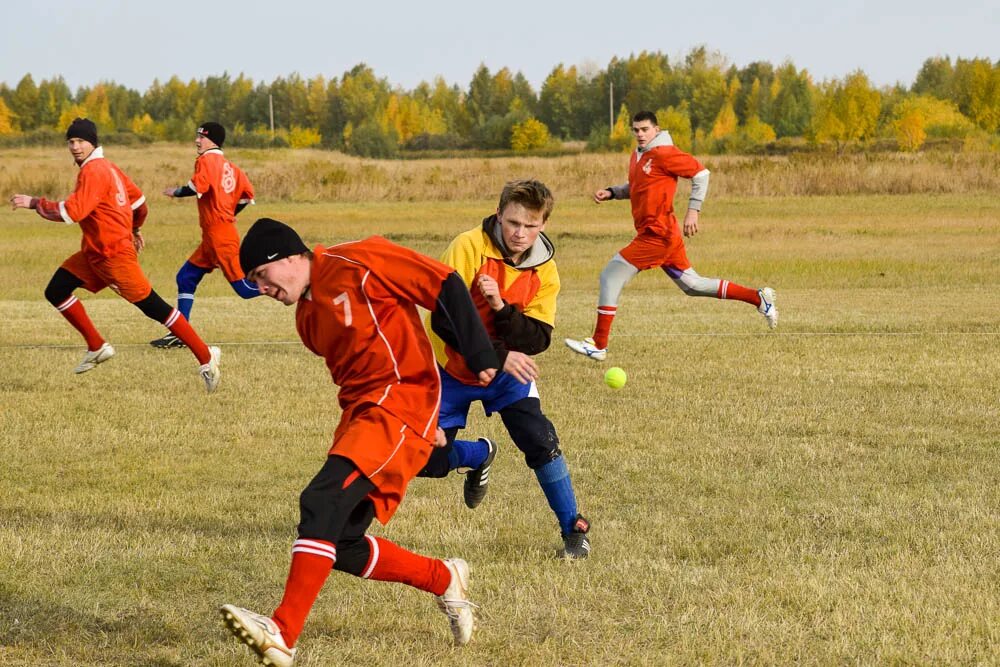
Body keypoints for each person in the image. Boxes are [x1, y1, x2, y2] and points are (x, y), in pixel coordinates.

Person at [220, 218, 500, 666]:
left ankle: (282, 632)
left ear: (289, 257)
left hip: (401, 402)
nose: (259, 288)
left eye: (260, 276)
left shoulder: (358, 259)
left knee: (321, 501)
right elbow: (352, 382)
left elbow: (442, 282)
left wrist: (479, 352)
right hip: (366, 415)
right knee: (343, 542)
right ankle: (443, 577)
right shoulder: (307, 321)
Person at [417, 179, 592, 559]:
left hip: (505, 373)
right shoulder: (467, 247)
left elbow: (537, 339)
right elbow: (445, 320)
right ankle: (478, 455)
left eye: (531, 226)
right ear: (499, 215)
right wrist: (495, 355)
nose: (520, 233)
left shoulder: (545, 270)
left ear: (543, 224)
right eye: (513, 222)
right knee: (422, 459)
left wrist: (501, 308)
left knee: (540, 440)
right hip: (449, 370)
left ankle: (573, 530)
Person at [8, 118, 221, 391]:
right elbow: (140, 203)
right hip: (94, 252)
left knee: (155, 308)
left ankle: (206, 356)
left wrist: (35, 202)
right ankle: (96, 346)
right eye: (70, 142)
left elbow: (72, 212)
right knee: (57, 289)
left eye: (80, 141)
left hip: (114, 255)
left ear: (92, 143)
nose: (74, 147)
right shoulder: (108, 167)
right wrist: (135, 227)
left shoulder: (94, 171)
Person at [564, 110, 778, 361]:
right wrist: (612, 192)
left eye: (645, 129)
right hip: (664, 235)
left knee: (610, 275)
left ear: (656, 129)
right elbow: (638, 187)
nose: (640, 134)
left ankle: (598, 344)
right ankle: (758, 298)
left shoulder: (665, 153)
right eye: (636, 130)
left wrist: (693, 211)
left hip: (658, 235)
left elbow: (701, 174)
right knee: (693, 286)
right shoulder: (639, 155)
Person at [149, 121, 259, 349]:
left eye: (202, 137)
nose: (197, 140)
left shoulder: (206, 160)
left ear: (214, 140)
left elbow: (198, 186)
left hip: (220, 236)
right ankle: (181, 333)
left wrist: (176, 192)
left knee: (245, 290)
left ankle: (296, 288)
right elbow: (247, 195)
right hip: (214, 235)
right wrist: (228, 213)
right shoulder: (232, 167)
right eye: (197, 136)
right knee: (185, 278)